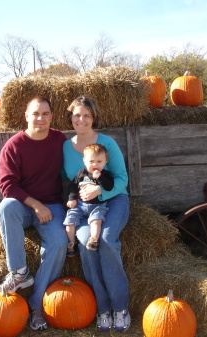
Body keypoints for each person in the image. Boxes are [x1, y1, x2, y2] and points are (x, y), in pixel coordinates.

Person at [0, 96, 67, 331]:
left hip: (53, 206)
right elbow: (6, 186)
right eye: (35, 113)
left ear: (51, 117)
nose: (40, 118)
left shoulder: (59, 140)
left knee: (58, 243)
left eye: (45, 114)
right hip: (25, 207)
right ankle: (19, 272)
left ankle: (37, 304)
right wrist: (36, 205)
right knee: (5, 207)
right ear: (26, 116)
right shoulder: (14, 146)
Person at [63, 95, 131, 332]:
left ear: (93, 118)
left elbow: (122, 179)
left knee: (106, 240)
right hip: (83, 209)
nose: (81, 120)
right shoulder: (66, 146)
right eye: (77, 115)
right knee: (85, 241)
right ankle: (102, 307)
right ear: (71, 117)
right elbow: (71, 181)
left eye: (87, 115)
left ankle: (119, 306)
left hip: (112, 201)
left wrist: (99, 191)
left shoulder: (107, 143)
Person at [64, 143, 114, 256]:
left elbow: (109, 187)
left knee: (96, 221)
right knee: (69, 221)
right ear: (85, 161)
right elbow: (72, 186)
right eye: (91, 161)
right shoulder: (81, 174)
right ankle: (72, 243)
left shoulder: (105, 175)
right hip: (80, 205)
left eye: (99, 162)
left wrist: (100, 178)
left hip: (97, 206)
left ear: (106, 162)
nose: (95, 164)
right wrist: (72, 199)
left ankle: (93, 240)